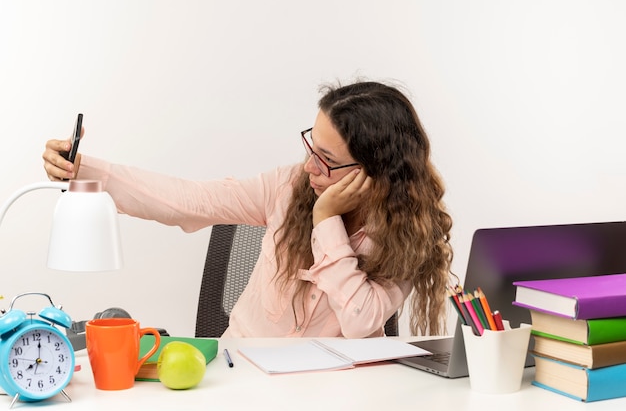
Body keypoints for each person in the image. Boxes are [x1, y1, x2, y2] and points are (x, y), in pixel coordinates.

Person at [43, 81, 454, 338]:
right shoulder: (290, 185)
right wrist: (85, 171)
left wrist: (326, 221)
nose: (309, 165)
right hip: (243, 374)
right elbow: (189, 200)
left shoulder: (410, 231)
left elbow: (362, 322)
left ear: (375, 172)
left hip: (333, 393)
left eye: (326, 159)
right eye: (312, 145)